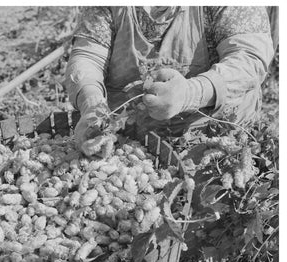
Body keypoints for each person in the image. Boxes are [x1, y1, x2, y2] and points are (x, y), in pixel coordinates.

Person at [65, 7, 275, 155]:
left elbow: (248, 58)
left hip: (214, 141)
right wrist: (92, 104)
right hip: (128, 144)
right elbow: (88, 58)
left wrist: (190, 93)